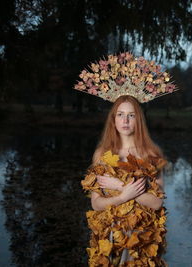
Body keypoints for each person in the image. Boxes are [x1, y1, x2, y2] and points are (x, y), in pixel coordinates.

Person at [81, 95, 168, 266]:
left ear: (139, 119)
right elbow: (96, 204)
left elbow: (157, 203)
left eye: (131, 115)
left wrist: (120, 186)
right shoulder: (102, 155)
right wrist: (121, 198)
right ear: (113, 119)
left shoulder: (151, 154)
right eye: (120, 114)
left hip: (141, 237)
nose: (125, 120)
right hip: (110, 235)